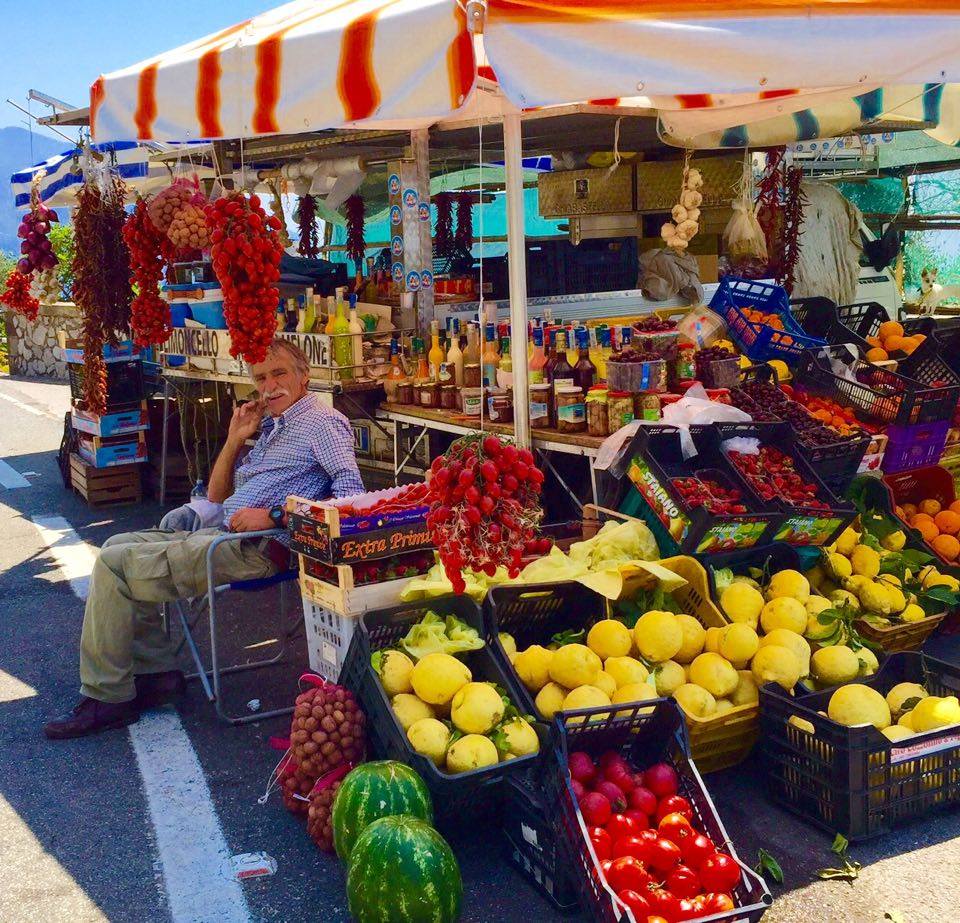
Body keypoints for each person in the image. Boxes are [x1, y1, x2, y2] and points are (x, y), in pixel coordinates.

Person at [44, 339, 364, 739]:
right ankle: (155, 674)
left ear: (304, 376)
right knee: (115, 547)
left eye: (279, 373)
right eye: (260, 378)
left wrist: (275, 515)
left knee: (114, 565)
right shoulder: (273, 426)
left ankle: (108, 697)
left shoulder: (323, 422)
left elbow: (351, 499)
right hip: (223, 534)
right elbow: (215, 496)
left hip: (259, 548)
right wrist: (234, 439)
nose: (269, 386)